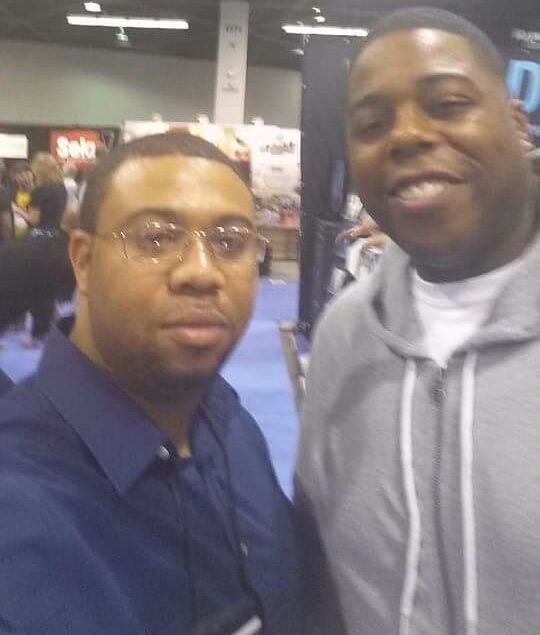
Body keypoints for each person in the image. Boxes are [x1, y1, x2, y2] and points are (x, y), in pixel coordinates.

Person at [295, 8, 539, 635]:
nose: (405, 136)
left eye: (449, 104)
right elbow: (320, 565)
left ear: (518, 126)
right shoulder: (345, 334)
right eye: (372, 125)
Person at [0, 132, 299, 635]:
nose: (201, 272)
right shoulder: (19, 509)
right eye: (156, 238)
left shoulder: (228, 421)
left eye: (230, 242)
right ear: (83, 260)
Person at [0, 153, 74, 345]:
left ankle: (23, 327)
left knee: (28, 287)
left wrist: (17, 210)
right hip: (57, 242)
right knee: (46, 288)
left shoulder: (39, 192)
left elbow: (33, 220)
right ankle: (42, 330)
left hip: (37, 243)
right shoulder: (62, 189)